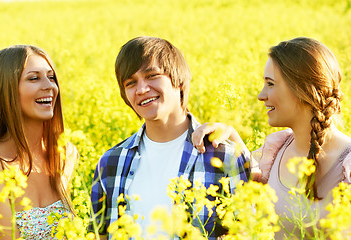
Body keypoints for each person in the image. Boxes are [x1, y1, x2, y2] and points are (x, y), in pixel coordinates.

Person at [89, 36, 250, 239]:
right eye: (131, 83)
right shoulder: (111, 161)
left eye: (152, 76)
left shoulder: (224, 155)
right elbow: (99, 234)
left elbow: (248, 231)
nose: (141, 89)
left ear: (179, 81)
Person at [192, 37, 351, 238]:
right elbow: (253, 184)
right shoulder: (278, 149)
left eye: (270, 84)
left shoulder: (347, 165)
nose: (261, 95)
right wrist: (231, 135)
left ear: (302, 89)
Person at [0, 45, 77, 240]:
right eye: (34, 78)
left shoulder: (65, 154)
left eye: (51, 77)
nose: (49, 86)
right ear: (7, 91)